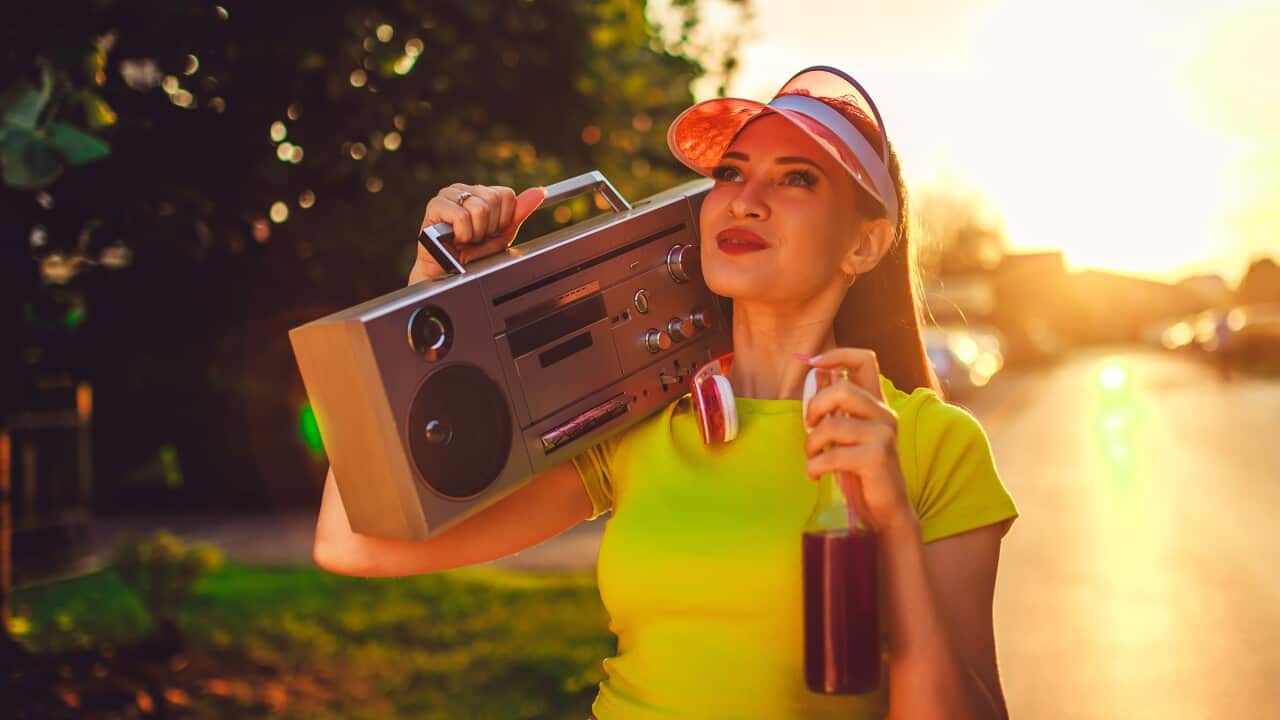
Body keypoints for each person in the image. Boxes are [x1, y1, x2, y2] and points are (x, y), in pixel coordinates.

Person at [313, 65, 1019, 719]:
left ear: (865, 245)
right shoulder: (640, 424)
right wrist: (432, 294)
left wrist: (890, 520)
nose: (745, 200)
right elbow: (355, 545)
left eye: (796, 179)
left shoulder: (933, 445)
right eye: (731, 171)